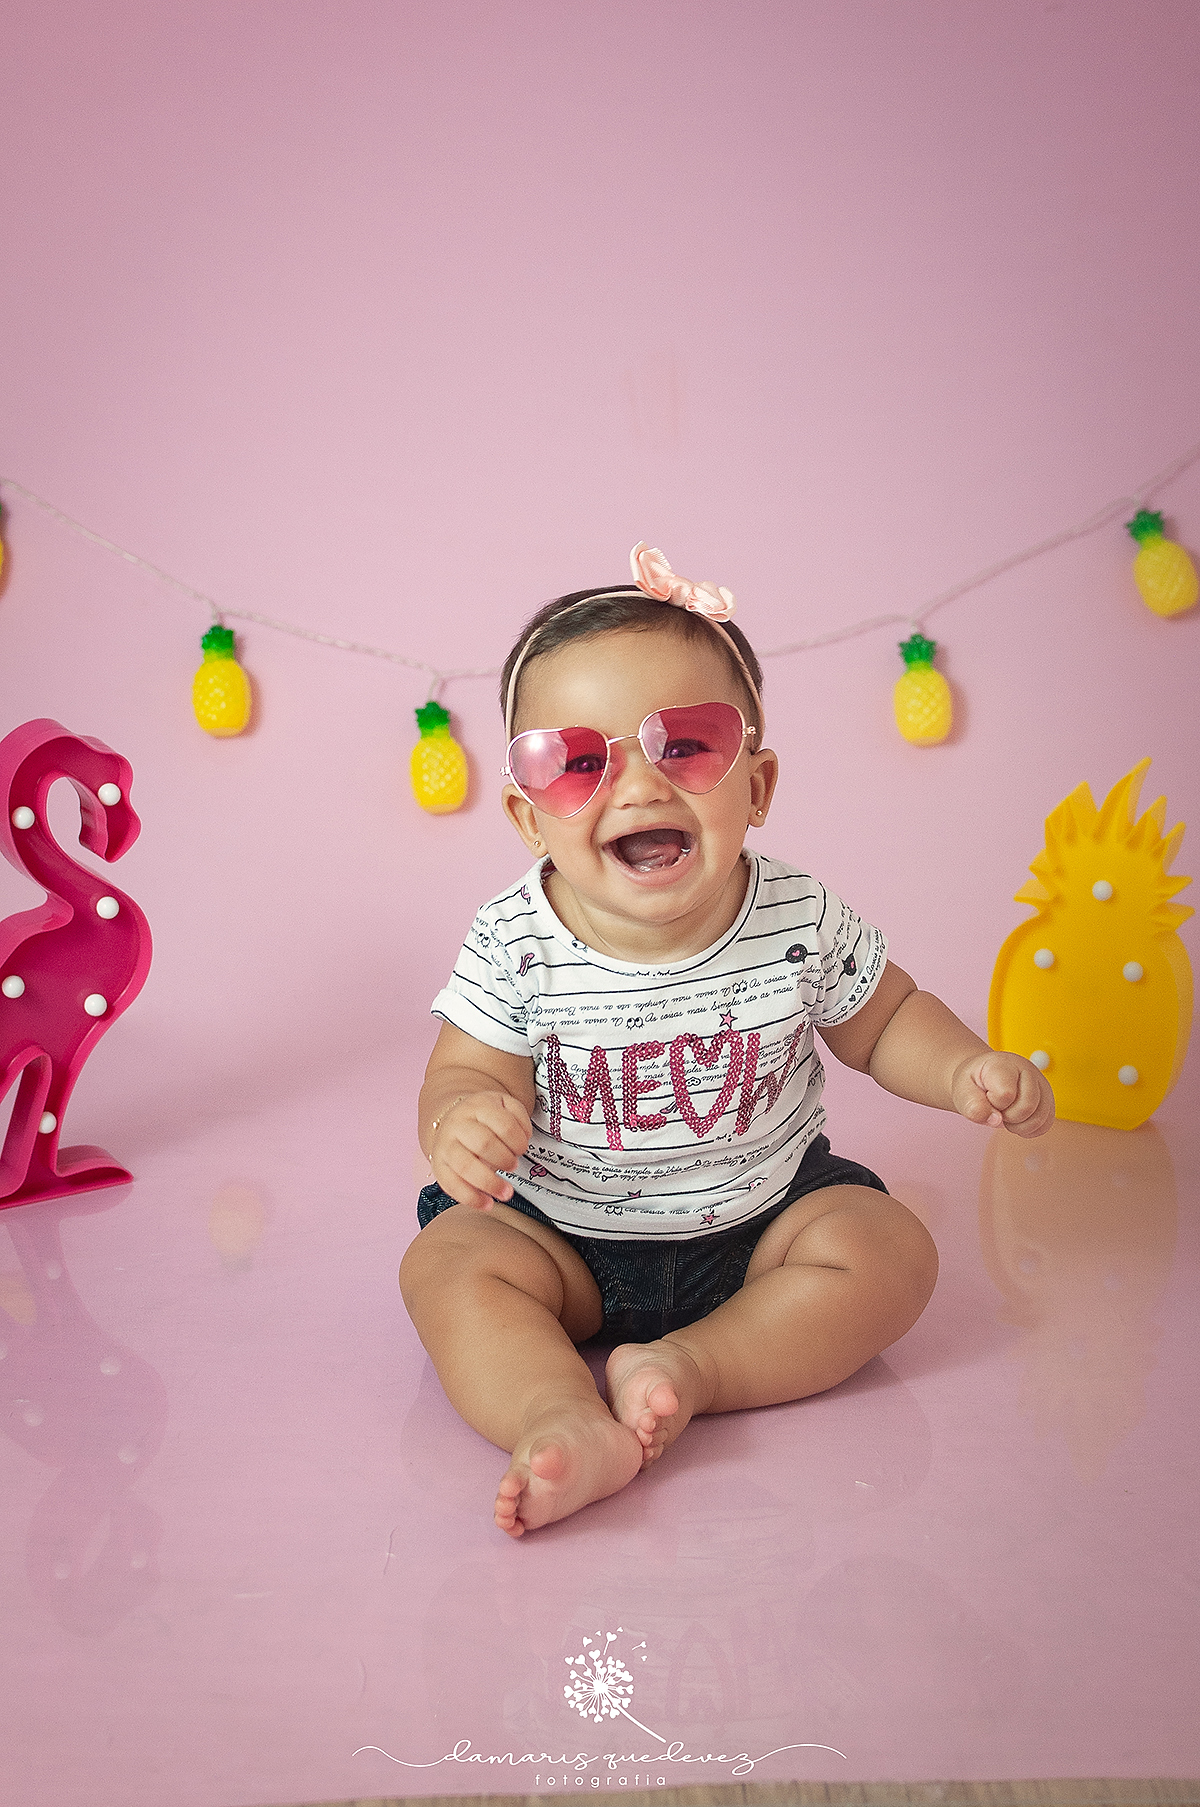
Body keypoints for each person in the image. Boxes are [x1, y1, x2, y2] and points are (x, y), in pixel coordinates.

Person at [400, 543, 1053, 1538]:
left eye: (688, 745)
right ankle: (559, 1413)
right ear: (530, 818)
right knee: (449, 1265)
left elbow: (883, 1020)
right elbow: (463, 1067)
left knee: (890, 1251)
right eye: (579, 763)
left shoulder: (797, 914)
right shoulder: (514, 937)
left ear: (757, 786)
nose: (637, 786)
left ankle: (695, 1367)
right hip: (560, 1237)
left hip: (765, 1227)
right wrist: (462, 1119)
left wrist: (963, 1063)